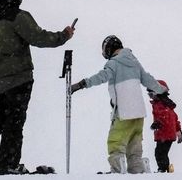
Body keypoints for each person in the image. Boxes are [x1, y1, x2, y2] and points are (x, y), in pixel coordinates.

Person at [0, 0, 75, 176]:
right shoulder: (17, 16)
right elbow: (39, 38)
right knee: (14, 122)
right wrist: (64, 36)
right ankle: (8, 164)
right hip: (19, 77)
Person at [69, 36, 167, 174]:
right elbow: (148, 80)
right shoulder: (134, 62)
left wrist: (82, 84)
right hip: (139, 113)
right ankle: (138, 170)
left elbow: (101, 77)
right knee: (134, 146)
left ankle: (117, 169)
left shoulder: (113, 63)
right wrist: (161, 90)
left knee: (115, 142)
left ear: (108, 49)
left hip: (124, 112)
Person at [149, 81, 182, 173]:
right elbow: (174, 118)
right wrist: (178, 131)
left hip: (165, 134)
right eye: (149, 95)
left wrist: (158, 123)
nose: (151, 97)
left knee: (160, 153)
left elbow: (165, 115)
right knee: (161, 152)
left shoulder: (161, 104)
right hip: (165, 134)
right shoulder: (166, 104)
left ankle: (163, 170)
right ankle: (166, 169)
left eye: (151, 94)